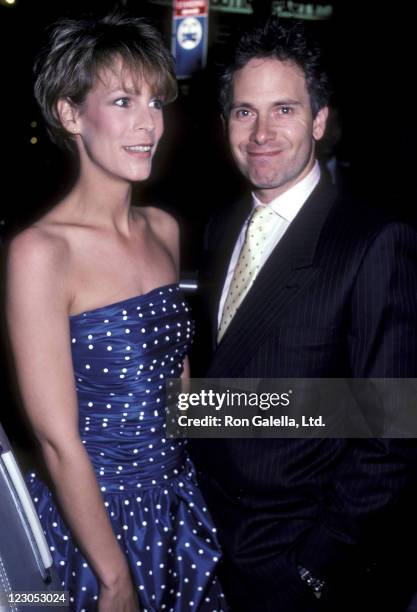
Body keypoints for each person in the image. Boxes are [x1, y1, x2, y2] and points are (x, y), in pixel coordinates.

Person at [191, 17, 417, 612]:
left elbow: (390, 435)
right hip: (211, 543)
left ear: (319, 120)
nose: (261, 132)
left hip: (300, 565)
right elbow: (235, 393)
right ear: (225, 125)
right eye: (244, 112)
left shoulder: (374, 241)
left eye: (284, 110)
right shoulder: (220, 228)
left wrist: (315, 566)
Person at [5, 13, 226, 612]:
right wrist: (114, 578)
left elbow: (177, 384)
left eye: (155, 102)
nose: (148, 123)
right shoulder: (41, 253)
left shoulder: (164, 229)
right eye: (123, 100)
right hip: (97, 522)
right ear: (69, 114)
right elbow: (56, 440)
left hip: (179, 502)